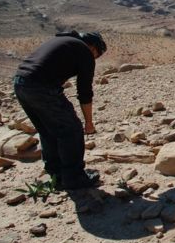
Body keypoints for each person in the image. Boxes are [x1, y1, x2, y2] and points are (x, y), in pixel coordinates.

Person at [13, 30, 106, 189]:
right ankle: (74, 177)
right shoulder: (84, 51)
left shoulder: (64, 43)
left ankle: (56, 175)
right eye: (97, 54)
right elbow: (84, 92)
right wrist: (88, 122)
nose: (95, 58)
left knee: (48, 130)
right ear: (92, 47)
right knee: (72, 129)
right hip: (42, 86)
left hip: (20, 83)